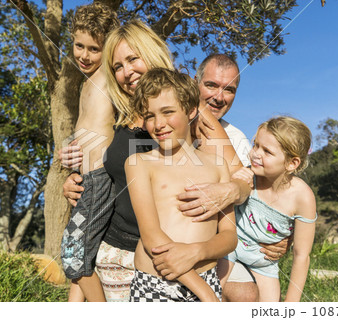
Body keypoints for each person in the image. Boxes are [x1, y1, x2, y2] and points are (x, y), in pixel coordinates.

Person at [61, 20, 249, 302]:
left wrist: (230, 190)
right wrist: (73, 180)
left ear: (151, 52)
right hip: (119, 250)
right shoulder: (116, 110)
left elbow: (241, 175)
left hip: (176, 254)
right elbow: (101, 170)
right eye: (117, 66)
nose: (127, 72)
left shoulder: (189, 110)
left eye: (133, 59)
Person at [126, 68, 237, 302]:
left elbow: (229, 237)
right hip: (156, 285)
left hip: (206, 279)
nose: (158, 124)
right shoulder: (139, 163)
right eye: (149, 115)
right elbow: (151, 236)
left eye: (168, 112)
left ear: (191, 111)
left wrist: (197, 251)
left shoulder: (218, 165)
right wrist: (207, 295)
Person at [219, 116, 317, 302]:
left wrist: (291, 303)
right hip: (230, 249)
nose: (255, 154)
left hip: (264, 264)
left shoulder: (303, 197)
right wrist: (234, 181)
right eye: (255, 145)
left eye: (267, 151)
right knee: (212, 295)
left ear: (291, 163)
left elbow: (301, 255)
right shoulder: (246, 177)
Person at [59, 3, 119, 302]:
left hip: (99, 179)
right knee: (82, 254)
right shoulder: (87, 82)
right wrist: (70, 153)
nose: (83, 55)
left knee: (72, 253)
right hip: (85, 180)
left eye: (93, 49)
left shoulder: (111, 77)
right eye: (78, 45)